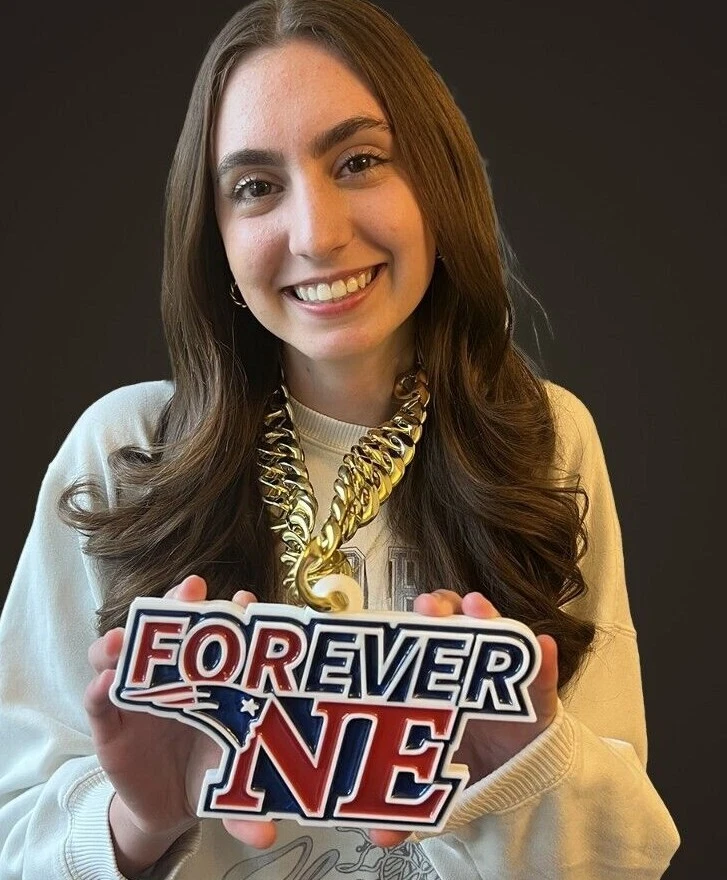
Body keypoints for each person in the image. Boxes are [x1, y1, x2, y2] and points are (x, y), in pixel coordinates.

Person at [0, 0, 680, 877]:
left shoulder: (542, 439)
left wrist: (522, 776)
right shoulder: (127, 451)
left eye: (358, 162)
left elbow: (624, 857)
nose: (317, 234)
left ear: (436, 182)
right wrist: (138, 822)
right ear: (214, 234)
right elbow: (12, 834)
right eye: (255, 186)